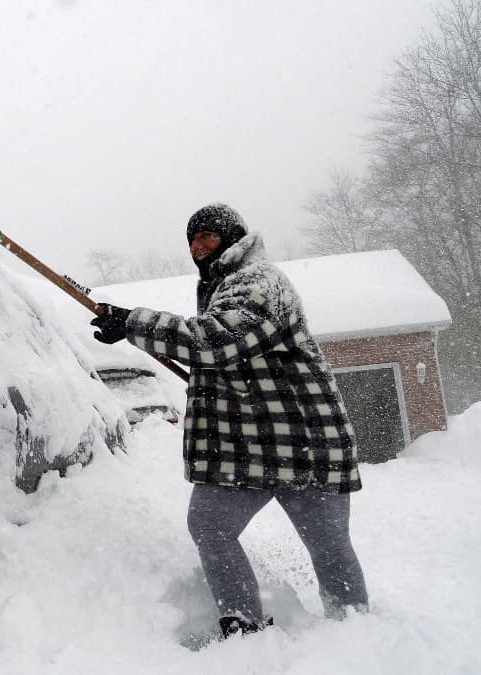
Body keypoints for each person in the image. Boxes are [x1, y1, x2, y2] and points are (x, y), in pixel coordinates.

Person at [89, 203, 368, 639]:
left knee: (328, 547)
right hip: (249, 446)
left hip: (305, 442)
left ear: (232, 237)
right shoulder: (222, 287)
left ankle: (360, 631)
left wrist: (134, 322)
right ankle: (243, 625)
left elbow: (220, 340)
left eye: (207, 236)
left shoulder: (260, 281)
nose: (198, 246)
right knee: (210, 525)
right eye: (192, 239)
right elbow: (222, 353)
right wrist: (135, 331)